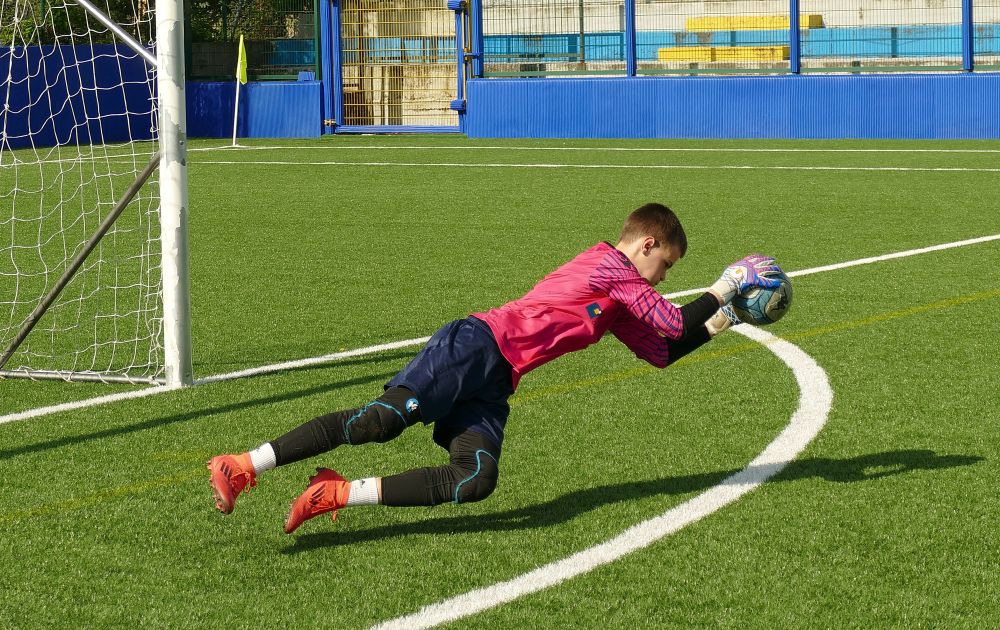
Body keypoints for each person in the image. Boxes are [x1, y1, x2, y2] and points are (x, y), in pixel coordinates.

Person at [207, 203, 781, 534]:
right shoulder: (610, 266)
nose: (664, 277)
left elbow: (662, 349)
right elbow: (673, 321)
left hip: (498, 380)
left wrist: (725, 319)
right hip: (476, 347)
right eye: (666, 265)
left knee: (474, 478)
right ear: (647, 243)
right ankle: (243, 464)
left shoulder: (621, 299)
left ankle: (334, 494)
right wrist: (727, 284)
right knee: (376, 423)